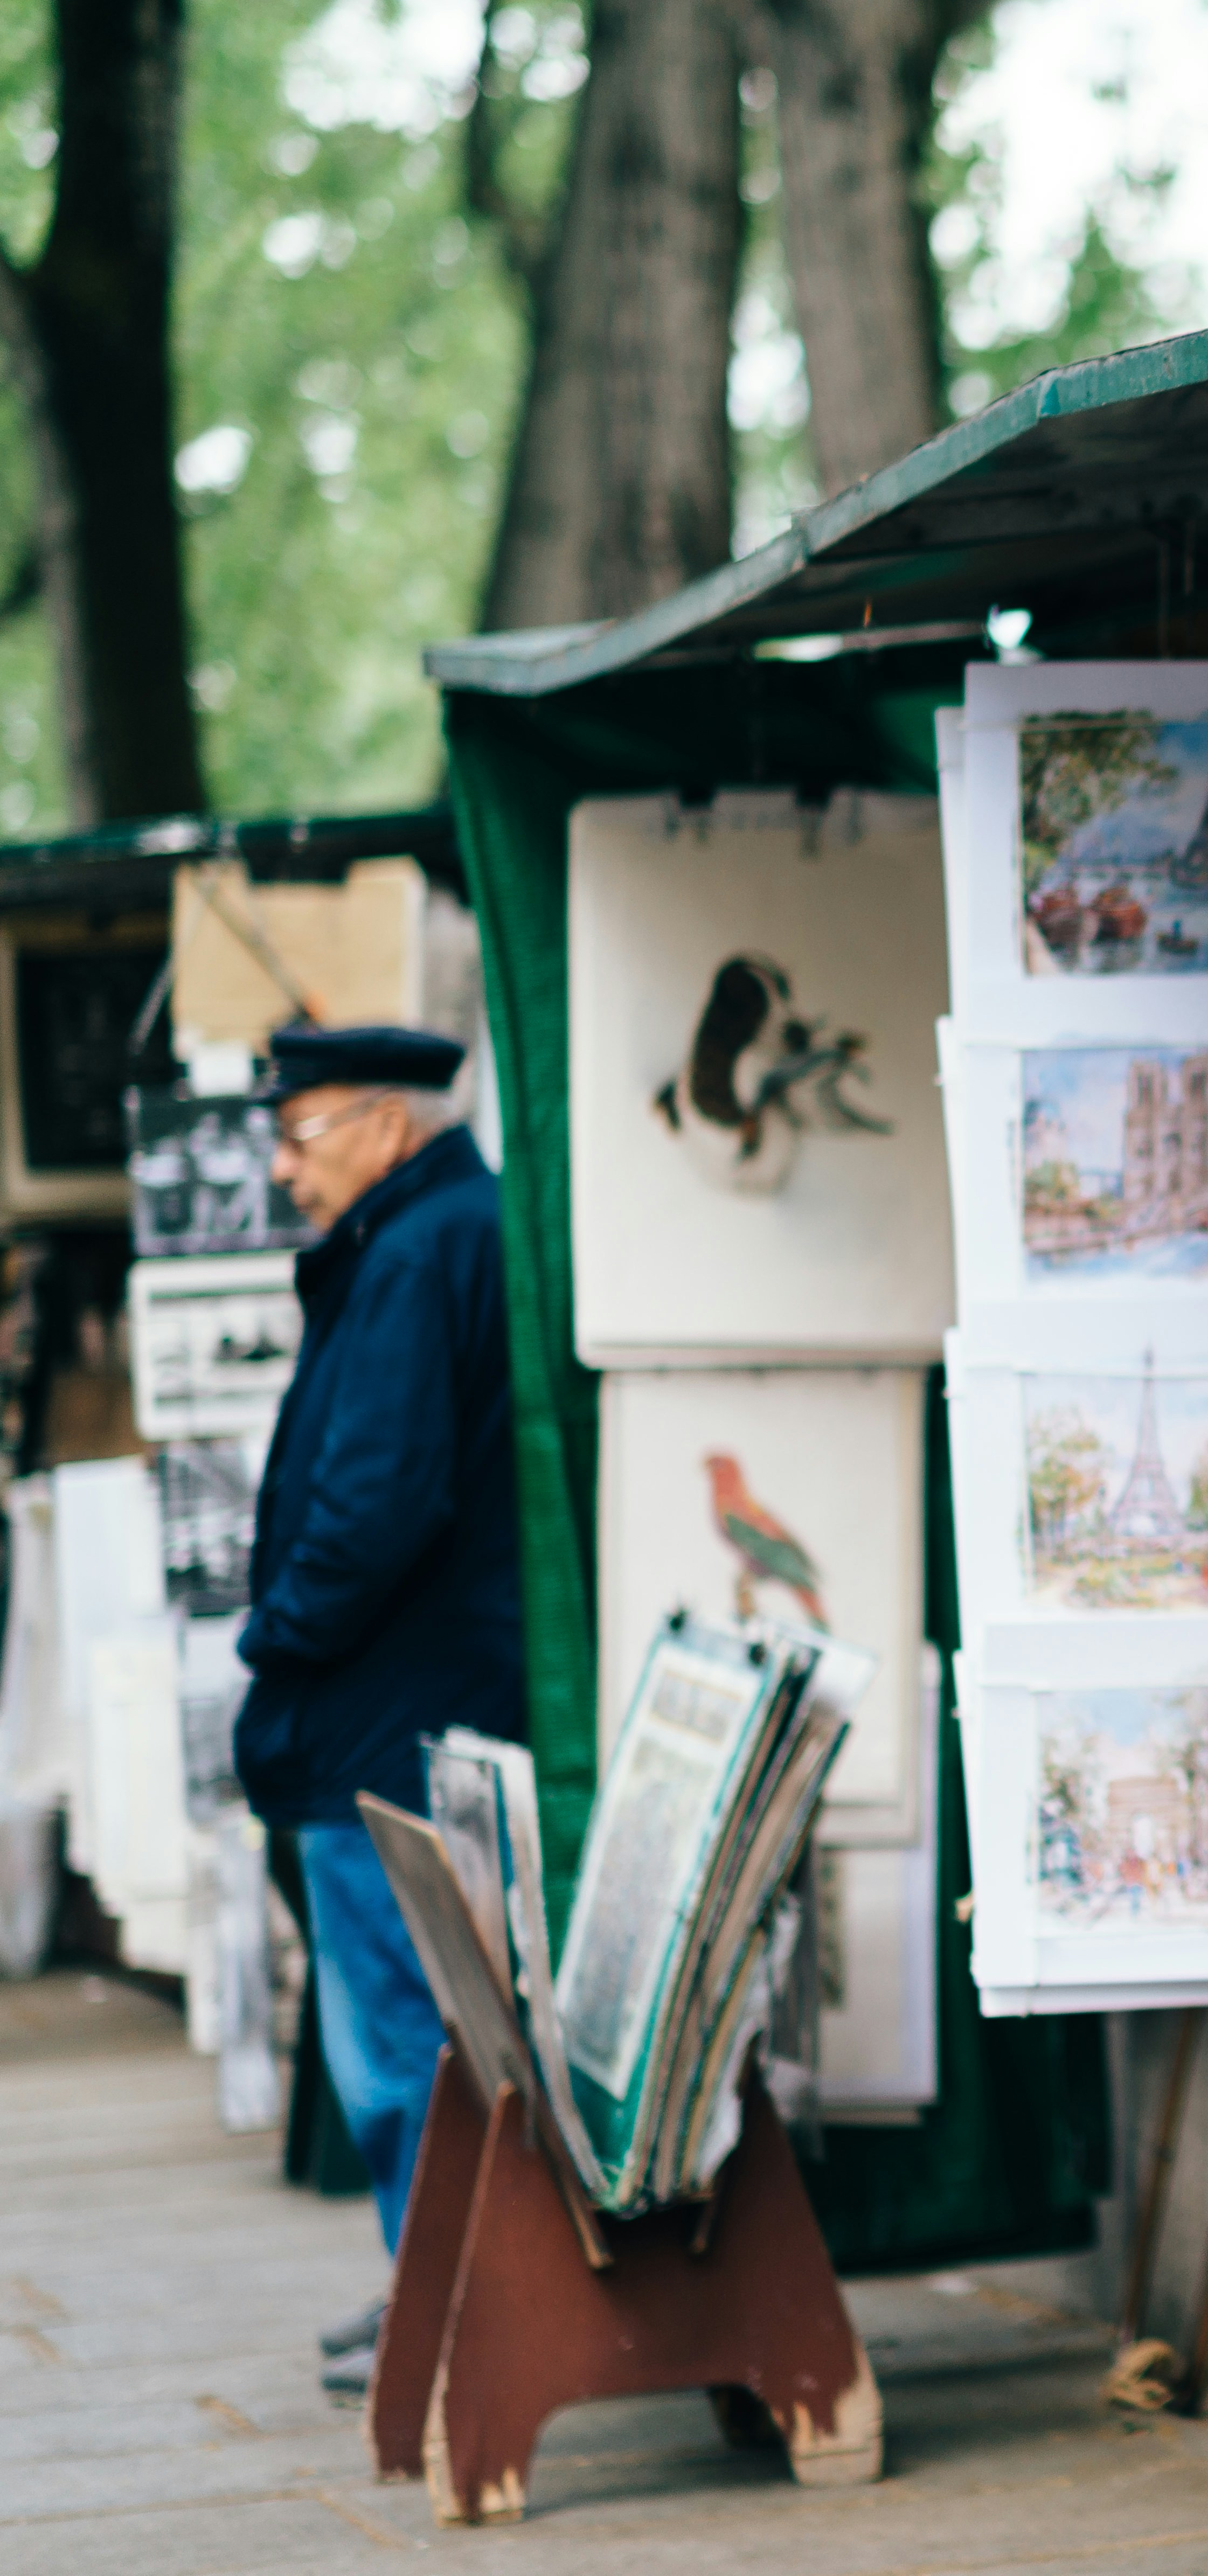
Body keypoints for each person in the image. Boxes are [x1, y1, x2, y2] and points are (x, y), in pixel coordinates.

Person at [231, 1026, 522, 2402]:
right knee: (421, 2020)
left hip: (385, 1708)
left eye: (302, 1134)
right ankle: (435, 2283)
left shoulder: (412, 1250)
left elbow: (376, 1501)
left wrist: (278, 1635)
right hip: (422, 1696)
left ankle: (451, 2303)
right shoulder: (442, 1227)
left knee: (401, 2031)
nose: (284, 1167)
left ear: (387, 1124)